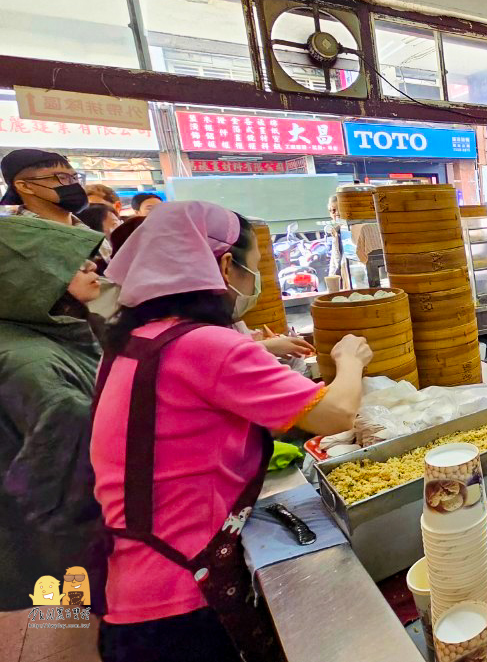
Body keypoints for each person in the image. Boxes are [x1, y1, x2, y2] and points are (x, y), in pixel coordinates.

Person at [90, 201, 372, 662]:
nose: (254, 282)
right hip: (180, 593)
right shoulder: (207, 345)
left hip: (130, 578)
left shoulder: (133, 339)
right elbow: (337, 413)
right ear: (224, 266)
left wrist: (261, 347)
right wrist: (350, 362)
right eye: (254, 269)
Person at [0, 216, 106, 610]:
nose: (92, 267)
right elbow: (68, 476)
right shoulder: (34, 363)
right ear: (29, 279)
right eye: (74, 264)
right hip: (68, 536)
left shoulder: (46, 333)